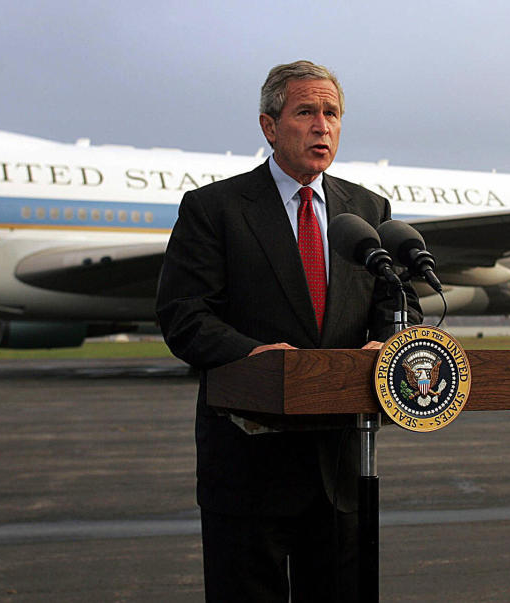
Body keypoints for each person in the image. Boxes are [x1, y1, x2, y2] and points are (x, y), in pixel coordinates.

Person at [156, 60, 421, 602]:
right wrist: (255, 355)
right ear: (269, 126)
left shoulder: (369, 210)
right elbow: (184, 313)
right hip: (249, 470)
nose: (322, 125)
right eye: (306, 112)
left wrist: (389, 342)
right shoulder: (215, 208)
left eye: (332, 113)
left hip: (343, 470)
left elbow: (401, 302)